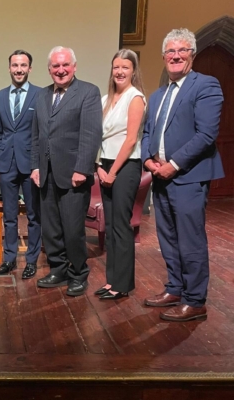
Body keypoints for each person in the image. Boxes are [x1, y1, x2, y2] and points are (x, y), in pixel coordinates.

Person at [142, 28, 224, 321]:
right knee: (167, 237)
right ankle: (175, 288)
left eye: (182, 50)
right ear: (164, 57)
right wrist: (149, 161)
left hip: (187, 176)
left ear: (192, 54)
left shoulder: (206, 85)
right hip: (160, 175)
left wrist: (173, 165)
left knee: (190, 240)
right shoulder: (158, 94)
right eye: (170, 52)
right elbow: (148, 133)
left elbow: (206, 135)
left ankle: (194, 300)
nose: (175, 56)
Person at [31, 46, 102, 296]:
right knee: (50, 229)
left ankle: (78, 274)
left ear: (74, 67)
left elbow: (91, 134)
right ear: (49, 69)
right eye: (55, 66)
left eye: (65, 65)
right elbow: (35, 135)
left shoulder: (88, 92)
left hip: (74, 175)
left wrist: (82, 168)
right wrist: (35, 167)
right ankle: (58, 270)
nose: (60, 70)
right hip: (46, 174)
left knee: (72, 230)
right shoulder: (41, 96)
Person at [94, 49, 146, 300]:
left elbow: (131, 139)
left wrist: (112, 173)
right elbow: (98, 138)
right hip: (105, 165)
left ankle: (122, 284)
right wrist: (99, 167)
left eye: (125, 67)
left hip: (125, 167)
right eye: (116, 67)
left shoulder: (135, 98)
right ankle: (111, 280)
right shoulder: (106, 99)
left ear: (133, 71)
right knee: (111, 224)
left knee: (122, 227)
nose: (120, 71)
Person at [0, 50, 41, 279]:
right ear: (9, 68)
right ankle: (10, 259)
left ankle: (31, 261)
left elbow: (42, 134)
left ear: (30, 68)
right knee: (9, 216)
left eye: (23, 65)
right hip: (6, 165)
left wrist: (39, 165)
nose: (19, 69)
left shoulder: (40, 95)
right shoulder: (0, 96)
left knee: (33, 216)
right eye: (15, 65)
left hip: (31, 165)